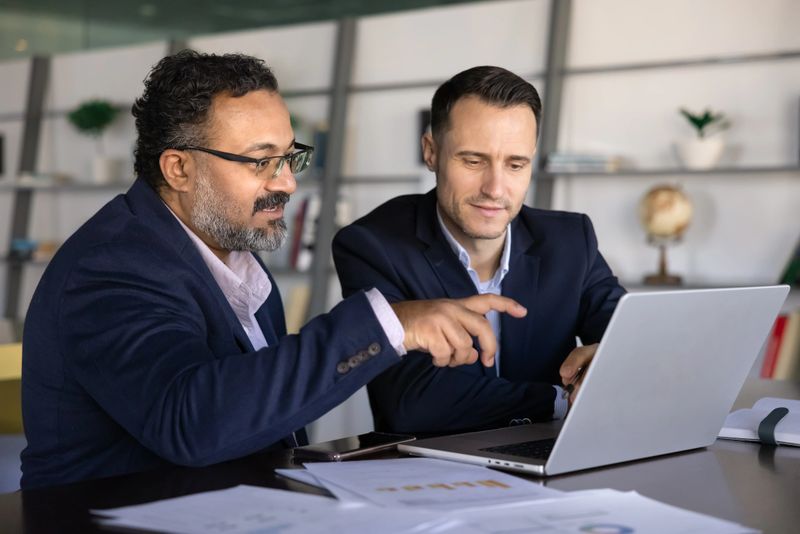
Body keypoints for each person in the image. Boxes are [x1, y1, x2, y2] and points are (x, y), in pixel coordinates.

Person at [20, 52, 527, 489]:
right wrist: (391, 323)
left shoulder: (236, 256)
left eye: (289, 157)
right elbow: (191, 421)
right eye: (260, 161)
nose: (287, 183)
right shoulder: (109, 267)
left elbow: (263, 416)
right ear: (179, 169)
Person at [333, 66, 626, 435]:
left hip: (557, 458)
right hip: (433, 463)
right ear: (431, 152)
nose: (495, 188)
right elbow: (412, 403)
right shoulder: (371, 247)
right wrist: (563, 400)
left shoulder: (570, 240)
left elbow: (633, 341)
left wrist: (611, 360)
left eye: (515, 164)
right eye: (473, 161)